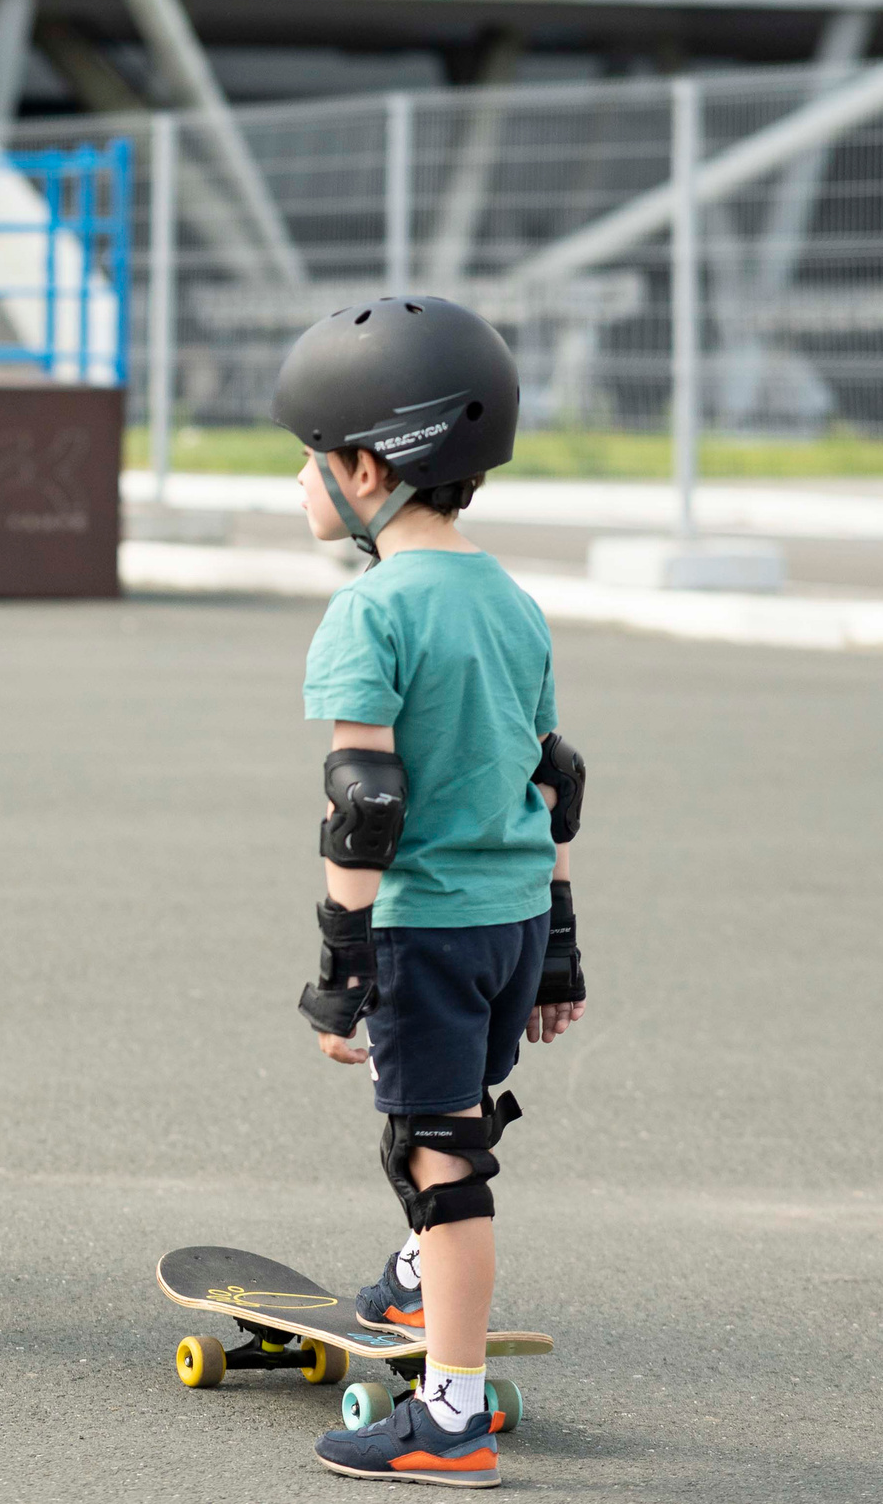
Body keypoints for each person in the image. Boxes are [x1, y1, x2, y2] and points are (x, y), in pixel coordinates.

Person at [281, 297, 589, 1487]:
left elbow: (364, 801)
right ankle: (416, 1287)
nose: (300, 480)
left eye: (310, 457)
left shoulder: (370, 609)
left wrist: (341, 965)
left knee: (436, 1151)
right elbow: (550, 779)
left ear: (369, 466)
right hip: (511, 922)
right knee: (453, 1113)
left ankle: (449, 1413)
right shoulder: (512, 600)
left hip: (428, 926)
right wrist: (558, 947)